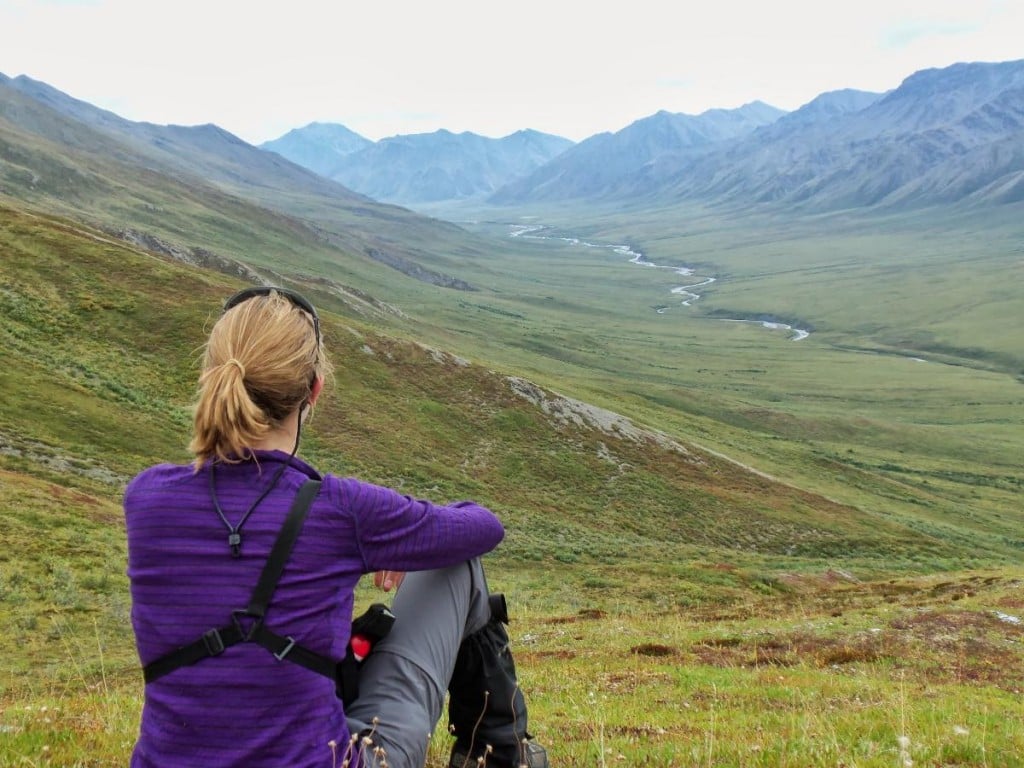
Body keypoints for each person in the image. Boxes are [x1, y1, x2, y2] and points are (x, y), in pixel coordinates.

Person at [124, 286, 548, 768]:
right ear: (314, 392)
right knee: (458, 566)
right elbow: (484, 527)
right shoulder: (340, 509)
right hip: (320, 759)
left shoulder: (146, 498)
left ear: (210, 377)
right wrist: (400, 545)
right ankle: (501, 752)